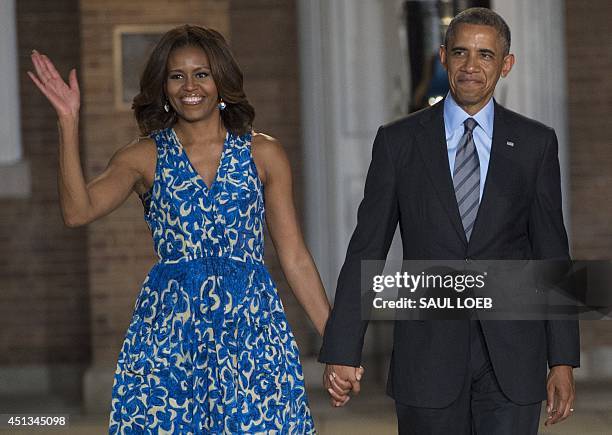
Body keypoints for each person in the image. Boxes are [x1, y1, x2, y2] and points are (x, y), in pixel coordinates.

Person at [29, 24, 340, 434]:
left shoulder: (263, 153)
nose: (189, 86)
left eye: (202, 73)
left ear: (221, 81)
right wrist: (68, 122)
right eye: (177, 75)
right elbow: (78, 211)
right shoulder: (143, 156)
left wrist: (337, 344)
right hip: (170, 336)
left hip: (250, 334)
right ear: (163, 85)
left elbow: (295, 256)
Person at [319, 7, 579, 434]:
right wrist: (344, 349)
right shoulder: (398, 142)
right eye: (461, 53)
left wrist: (563, 360)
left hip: (513, 358)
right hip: (427, 358)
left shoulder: (535, 144)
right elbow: (367, 248)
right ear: (442, 58)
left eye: (485, 55)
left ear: (506, 65)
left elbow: (552, 252)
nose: (471, 66)